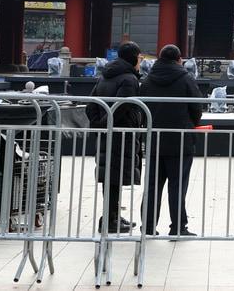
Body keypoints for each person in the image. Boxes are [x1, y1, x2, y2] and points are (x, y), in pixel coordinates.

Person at [138, 44, 204, 237]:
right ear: (178, 59)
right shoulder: (186, 79)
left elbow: (141, 109)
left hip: (154, 140)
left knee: (152, 186)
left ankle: (148, 227)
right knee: (177, 186)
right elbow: (196, 107)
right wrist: (191, 124)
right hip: (180, 140)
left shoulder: (148, 80)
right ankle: (178, 227)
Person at [87, 42, 144, 233]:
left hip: (107, 135)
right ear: (134, 57)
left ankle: (112, 216)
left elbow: (91, 104)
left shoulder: (105, 76)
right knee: (115, 177)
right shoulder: (128, 79)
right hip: (121, 135)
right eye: (140, 57)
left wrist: (98, 125)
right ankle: (110, 220)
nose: (141, 61)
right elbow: (121, 107)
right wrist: (106, 124)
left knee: (111, 177)